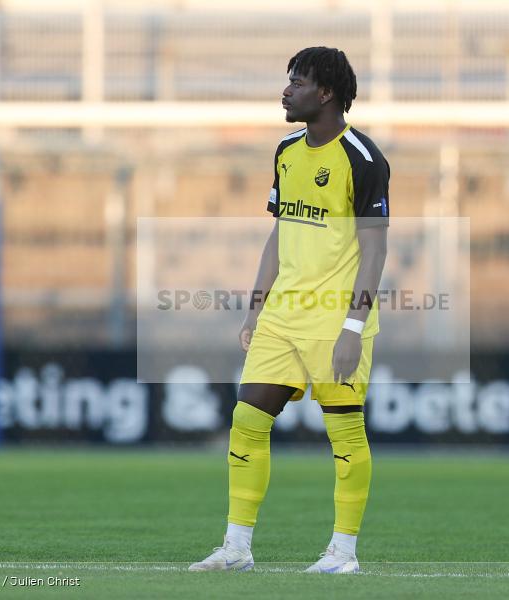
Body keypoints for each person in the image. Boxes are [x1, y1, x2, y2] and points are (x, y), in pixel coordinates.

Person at [189, 46, 390, 574]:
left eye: (297, 82)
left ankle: (343, 552)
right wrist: (255, 311)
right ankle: (236, 548)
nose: (286, 91)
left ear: (325, 93)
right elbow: (279, 236)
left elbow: (375, 250)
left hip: (335, 319)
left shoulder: (363, 159)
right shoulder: (285, 151)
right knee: (247, 421)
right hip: (282, 317)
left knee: (344, 431)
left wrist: (353, 326)